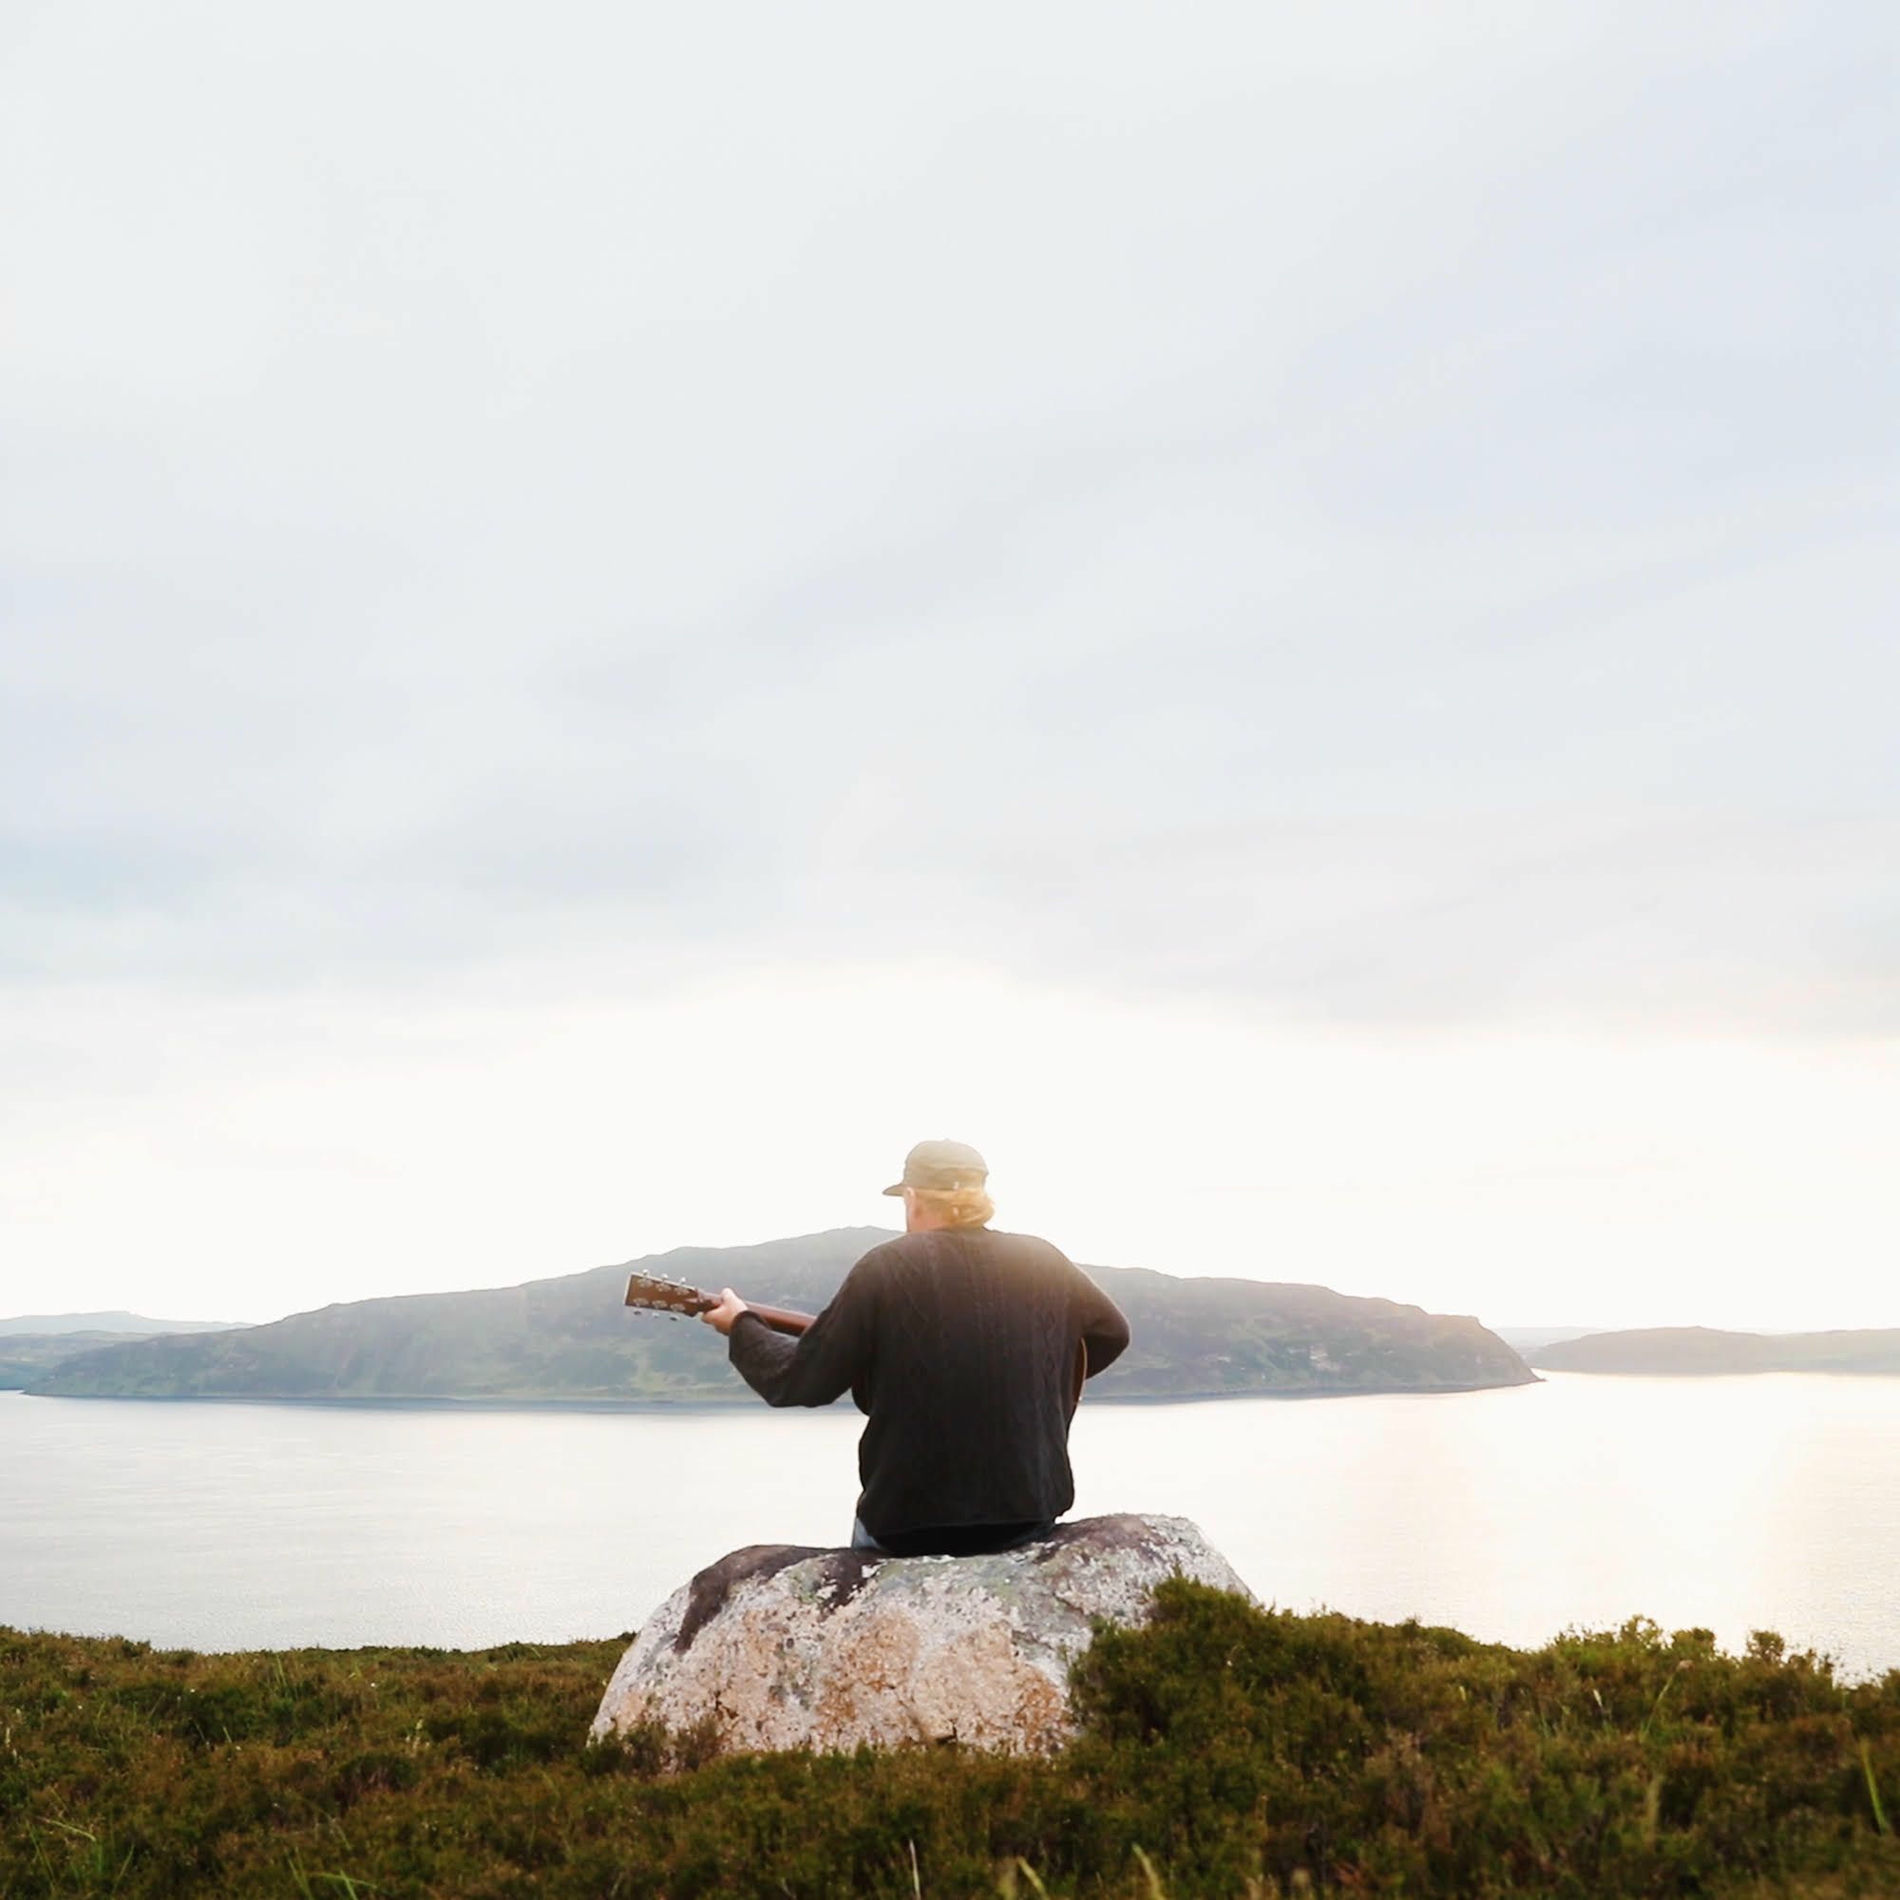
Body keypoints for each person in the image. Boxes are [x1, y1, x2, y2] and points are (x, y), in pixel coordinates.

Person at [698, 1139, 1131, 1557]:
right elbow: (1113, 1333)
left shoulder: (887, 1265)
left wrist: (740, 1325)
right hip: (1028, 1515)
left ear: (913, 1197)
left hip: (909, 1524)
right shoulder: (1043, 1258)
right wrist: (1033, 1385)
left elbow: (798, 1382)